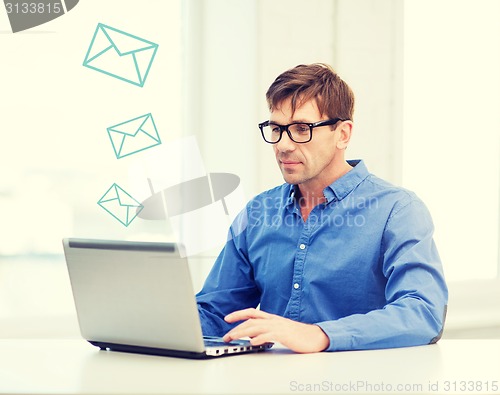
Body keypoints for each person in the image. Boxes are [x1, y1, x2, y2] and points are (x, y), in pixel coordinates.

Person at [196, 63, 448, 353]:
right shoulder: (257, 213)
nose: (283, 145)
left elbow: (423, 313)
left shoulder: (398, 210)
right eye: (277, 129)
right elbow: (216, 312)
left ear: (343, 134)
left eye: (302, 129)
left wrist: (320, 334)